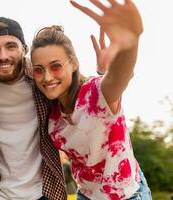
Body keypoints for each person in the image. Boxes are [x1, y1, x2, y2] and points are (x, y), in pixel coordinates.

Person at [30, 0, 152, 200]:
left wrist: (130, 43)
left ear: (74, 63)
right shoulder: (51, 112)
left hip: (127, 195)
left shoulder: (96, 93)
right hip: (86, 195)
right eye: (38, 69)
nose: (47, 77)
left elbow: (117, 78)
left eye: (56, 66)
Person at [0, 17, 67, 200]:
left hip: (45, 192)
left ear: (24, 49)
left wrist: (102, 73)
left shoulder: (44, 80)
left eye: (11, 46)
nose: (3, 56)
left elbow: (81, 93)